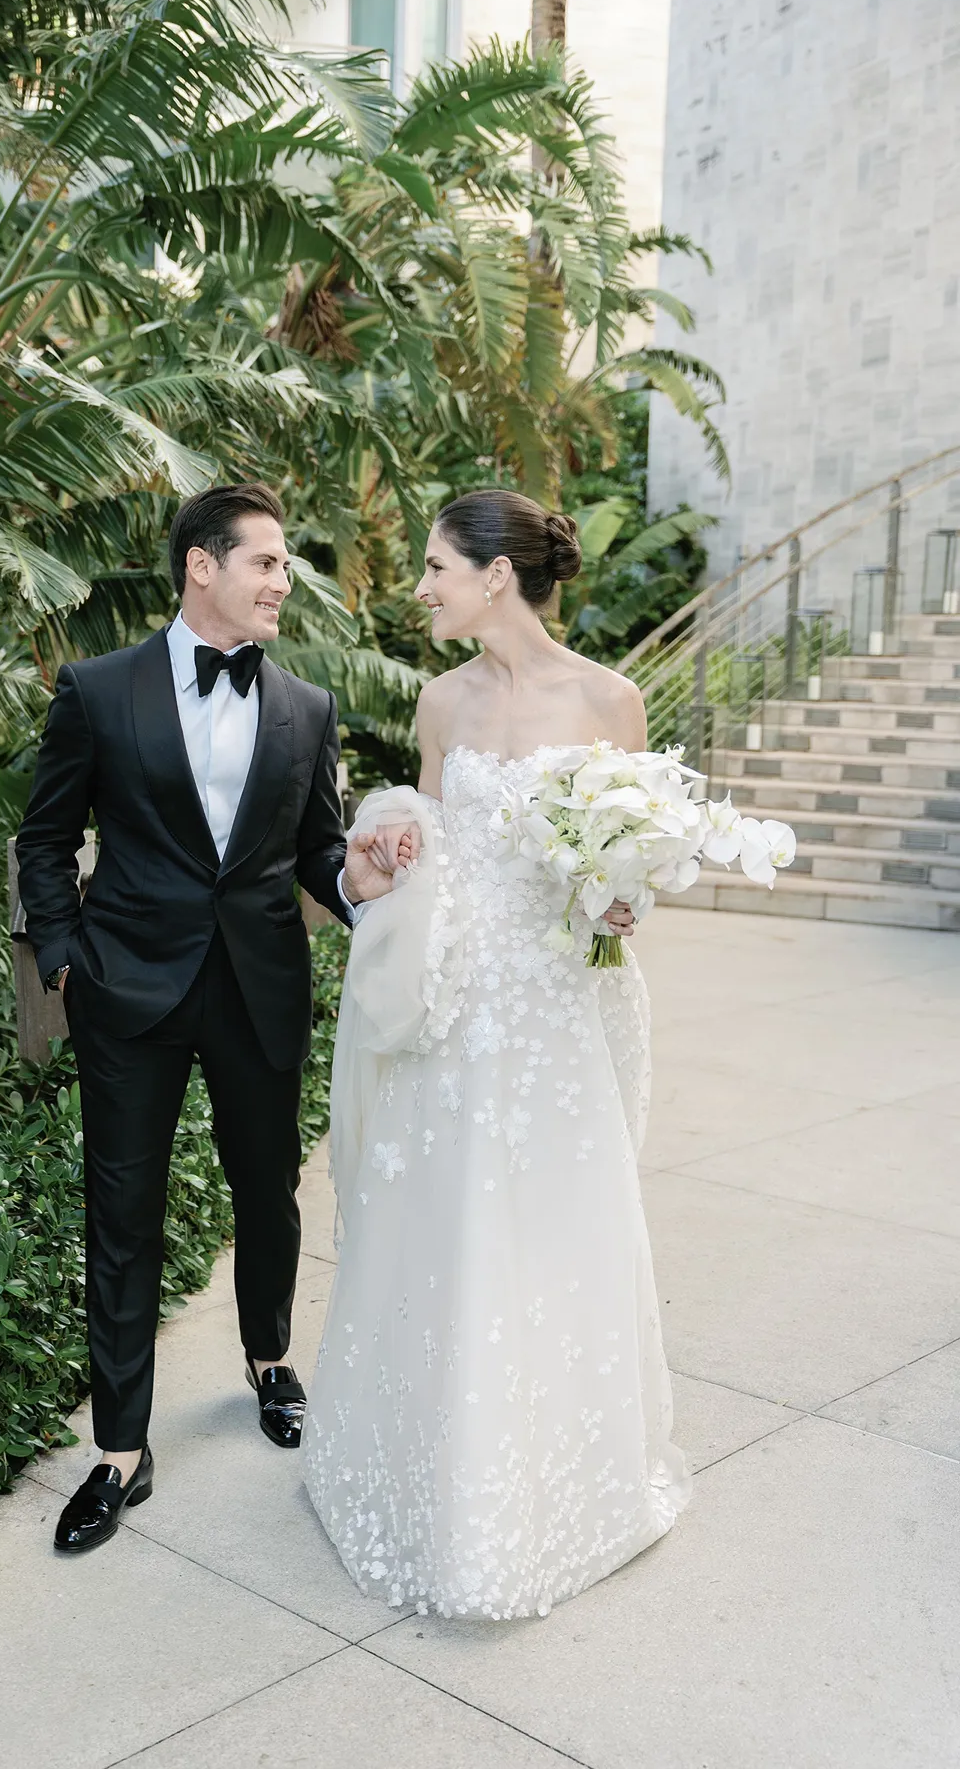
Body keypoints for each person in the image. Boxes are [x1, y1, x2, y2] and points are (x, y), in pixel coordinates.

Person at [303, 488, 691, 1619]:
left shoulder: (612, 701)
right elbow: (431, 856)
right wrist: (392, 848)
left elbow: (628, 864)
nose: (419, 587)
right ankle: (430, 1474)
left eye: (434, 567)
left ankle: (556, 1484)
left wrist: (620, 904)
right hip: (458, 1015)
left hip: (557, 1012)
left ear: (495, 576)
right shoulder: (438, 704)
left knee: (558, 1234)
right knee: (443, 1234)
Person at [16, 483, 404, 1554]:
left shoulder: (308, 708)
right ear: (202, 565)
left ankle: (269, 1360)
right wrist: (65, 959)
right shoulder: (97, 690)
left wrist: (360, 876)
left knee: (267, 1189)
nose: (284, 581)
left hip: (258, 984)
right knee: (122, 1210)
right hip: (127, 987)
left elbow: (317, 853)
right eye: (268, 562)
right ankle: (121, 1450)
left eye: (285, 566)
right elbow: (44, 841)